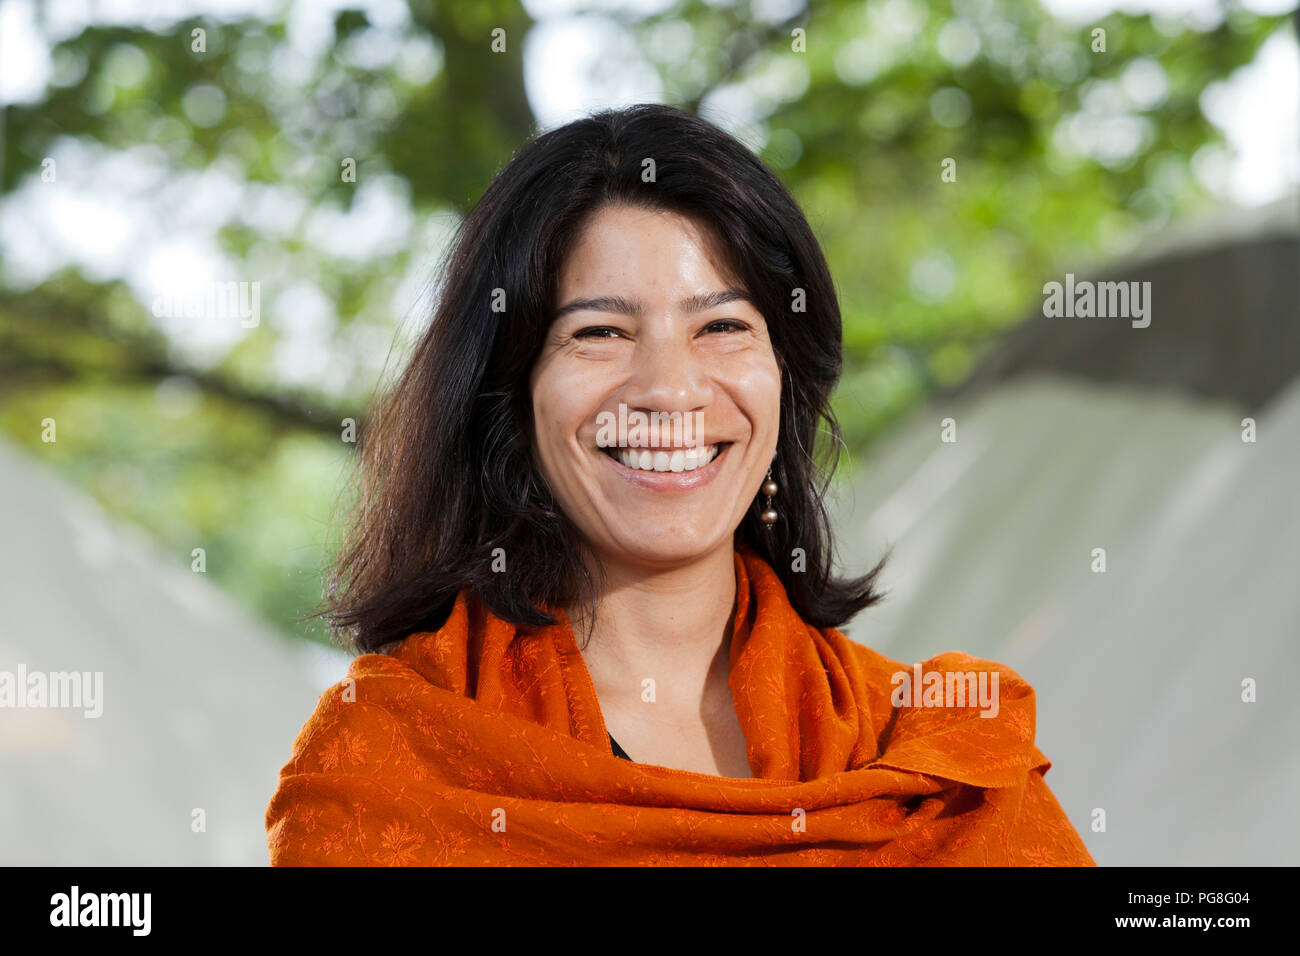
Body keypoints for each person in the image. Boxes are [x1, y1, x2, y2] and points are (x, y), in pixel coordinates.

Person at [265, 103, 1094, 866]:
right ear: (507, 392)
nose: (669, 388)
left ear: (785, 380)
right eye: (599, 331)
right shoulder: (391, 764)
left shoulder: (937, 765)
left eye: (723, 326)